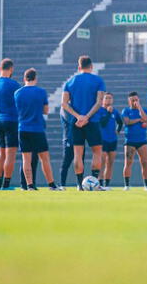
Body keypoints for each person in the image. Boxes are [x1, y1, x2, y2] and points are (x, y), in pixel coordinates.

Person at [61, 56, 106, 191]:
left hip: (76, 123)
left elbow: (64, 104)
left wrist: (78, 116)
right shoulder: (98, 80)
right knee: (97, 152)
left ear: (79, 67)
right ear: (91, 66)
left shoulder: (70, 82)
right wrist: (87, 117)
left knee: (77, 154)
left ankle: (80, 185)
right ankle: (95, 183)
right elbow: (99, 103)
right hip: (92, 121)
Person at [14, 68, 60, 191]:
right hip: (37, 129)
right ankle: (51, 185)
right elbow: (45, 110)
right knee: (44, 158)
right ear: (35, 78)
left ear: (25, 78)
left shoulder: (17, 93)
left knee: (26, 159)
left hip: (23, 128)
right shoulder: (41, 92)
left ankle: (29, 186)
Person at [0, 58, 21, 190]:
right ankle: (6, 184)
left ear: (0, 68)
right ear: (11, 69)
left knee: (1, 154)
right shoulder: (14, 84)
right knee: (10, 155)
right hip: (11, 120)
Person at [121, 92, 147, 191]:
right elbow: (127, 122)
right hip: (130, 140)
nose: (134, 102)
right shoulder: (126, 110)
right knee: (128, 162)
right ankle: (127, 185)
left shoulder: (144, 110)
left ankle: (146, 185)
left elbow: (146, 119)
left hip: (142, 141)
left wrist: (140, 108)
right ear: (129, 101)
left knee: (145, 162)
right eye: (132, 100)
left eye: (136, 100)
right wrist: (139, 120)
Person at [97, 92, 122, 190]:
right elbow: (102, 124)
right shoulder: (100, 111)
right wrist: (108, 113)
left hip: (113, 139)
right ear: (103, 100)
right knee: (102, 162)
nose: (108, 100)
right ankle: (99, 182)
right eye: (106, 98)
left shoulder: (115, 111)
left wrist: (118, 131)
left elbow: (120, 122)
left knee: (110, 162)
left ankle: (107, 184)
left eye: (110, 98)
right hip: (103, 139)